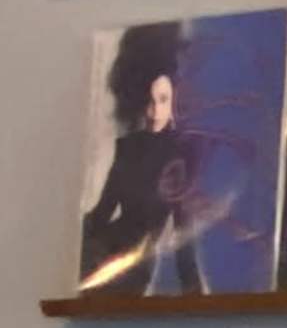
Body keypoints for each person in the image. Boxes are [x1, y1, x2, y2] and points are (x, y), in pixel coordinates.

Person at [74, 27, 214, 294]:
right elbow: (103, 211)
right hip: (101, 256)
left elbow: (184, 233)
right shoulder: (127, 147)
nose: (154, 110)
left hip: (134, 267)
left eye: (162, 100)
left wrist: (195, 293)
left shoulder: (180, 154)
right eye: (148, 100)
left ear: (174, 99)